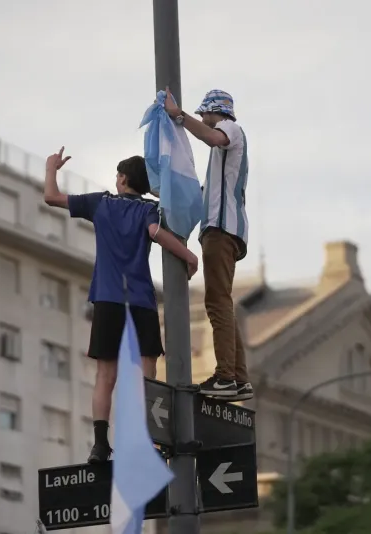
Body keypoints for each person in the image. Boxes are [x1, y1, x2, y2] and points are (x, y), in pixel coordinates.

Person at [43, 146, 199, 463]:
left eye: (118, 175)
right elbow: (157, 234)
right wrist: (189, 256)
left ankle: (100, 445)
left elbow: (52, 197)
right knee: (147, 373)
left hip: (107, 298)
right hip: (140, 299)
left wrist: (51, 169)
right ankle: (147, 439)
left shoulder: (100, 203)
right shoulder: (149, 210)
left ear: (123, 179)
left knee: (105, 376)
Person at [163, 88, 253, 402]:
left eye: (205, 114)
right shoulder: (223, 157)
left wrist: (179, 115)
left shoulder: (228, 129)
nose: (203, 119)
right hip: (227, 228)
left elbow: (212, 137)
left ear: (216, 111)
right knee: (223, 304)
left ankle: (226, 377)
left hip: (221, 228)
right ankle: (238, 379)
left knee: (217, 304)